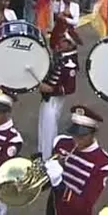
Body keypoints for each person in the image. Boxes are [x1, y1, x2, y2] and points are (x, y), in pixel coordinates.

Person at [45, 105, 108, 214]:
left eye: (82, 135)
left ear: (94, 133)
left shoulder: (102, 164)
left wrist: (60, 185)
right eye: (74, 134)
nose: (76, 139)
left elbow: (85, 205)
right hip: (54, 207)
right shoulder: (62, 143)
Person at [37, 29, 79, 161]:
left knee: (49, 127)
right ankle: (41, 151)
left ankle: (47, 158)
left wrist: (51, 89)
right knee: (43, 125)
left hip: (55, 99)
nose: (60, 42)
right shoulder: (60, 55)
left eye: (64, 41)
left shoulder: (70, 63)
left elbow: (70, 88)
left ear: (71, 44)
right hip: (47, 97)